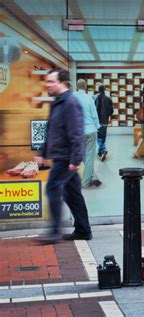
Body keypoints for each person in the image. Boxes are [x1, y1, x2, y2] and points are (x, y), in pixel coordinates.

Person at [35, 69, 92, 243]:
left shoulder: (69, 103)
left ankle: (54, 232)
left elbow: (76, 133)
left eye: (51, 81)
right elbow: (52, 129)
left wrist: (75, 159)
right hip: (62, 156)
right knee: (72, 194)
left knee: (52, 188)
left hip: (65, 158)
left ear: (62, 83)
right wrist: (43, 153)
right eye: (47, 81)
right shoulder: (58, 103)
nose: (48, 84)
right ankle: (83, 230)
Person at [73, 79, 102, 188]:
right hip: (90, 130)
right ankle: (85, 183)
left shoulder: (73, 97)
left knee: (85, 155)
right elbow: (94, 115)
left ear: (76, 86)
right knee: (89, 156)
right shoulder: (89, 98)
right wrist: (97, 126)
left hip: (79, 131)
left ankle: (94, 177)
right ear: (85, 87)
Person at [95, 84, 114, 161]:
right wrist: (107, 116)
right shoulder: (108, 99)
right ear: (104, 90)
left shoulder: (96, 98)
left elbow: (94, 110)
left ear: (98, 90)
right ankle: (101, 152)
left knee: (99, 137)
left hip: (98, 121)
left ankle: (103, 149)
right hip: (105, 121)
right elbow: (111, 111)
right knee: (103, 136)